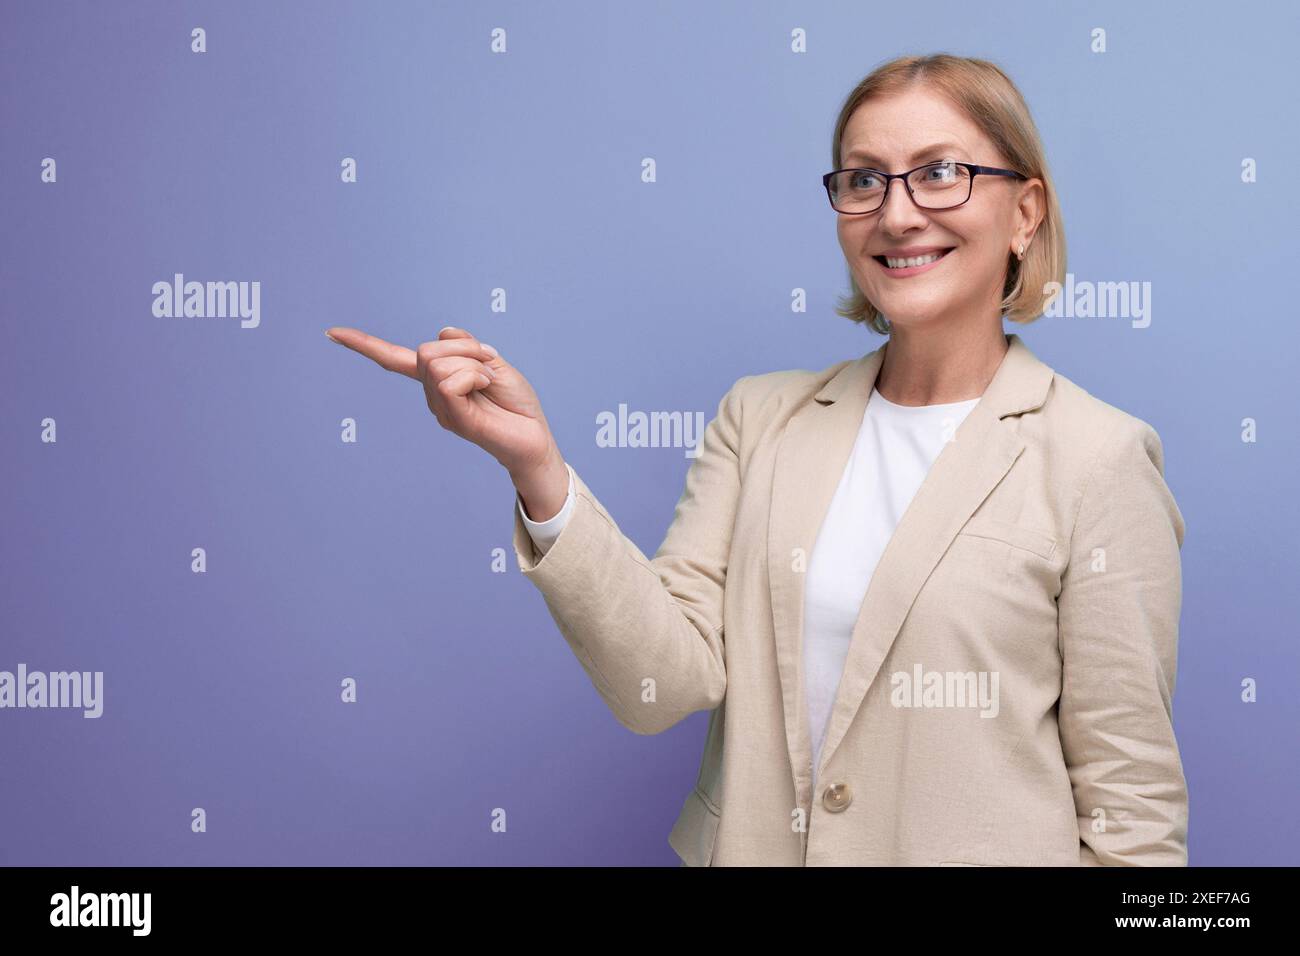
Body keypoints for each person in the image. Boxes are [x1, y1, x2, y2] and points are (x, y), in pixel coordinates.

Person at [325, 52, 1188, 867]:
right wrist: (538, 468)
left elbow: (1133, 810)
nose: (895, 213)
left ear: (1025, 211)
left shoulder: (1097, 460)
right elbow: (660, 683)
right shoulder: (761, 418)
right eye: (863, 180)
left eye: (939, 171)